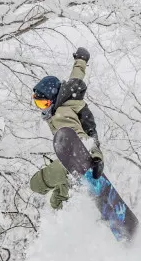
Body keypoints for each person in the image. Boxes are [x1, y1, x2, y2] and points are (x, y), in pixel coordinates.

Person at [29, 47, 104, 210]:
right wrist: (81, 59)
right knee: (56, 202)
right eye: (38, 104)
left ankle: (76, 173)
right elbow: (77, 75)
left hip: (78, 153)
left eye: (44, 103)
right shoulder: (67, 97)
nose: (42, 108)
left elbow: (79, 136)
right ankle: (67, 219)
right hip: (75, 152)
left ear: (54, 98)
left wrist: (94, 155)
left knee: (36, 184)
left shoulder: (61, 112)